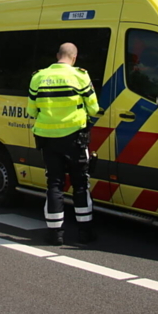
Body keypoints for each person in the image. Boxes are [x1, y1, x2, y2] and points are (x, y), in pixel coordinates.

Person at [26, 43, 100, 246]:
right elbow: (94, 109)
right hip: (75, 139)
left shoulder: (38, 77)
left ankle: (55, 233)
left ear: (57, 55)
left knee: (54, 184)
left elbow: (31, 111)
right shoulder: (80, 76)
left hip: (48, 139)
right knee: (80, 184)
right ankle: (85, 232)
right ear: (74, 58)